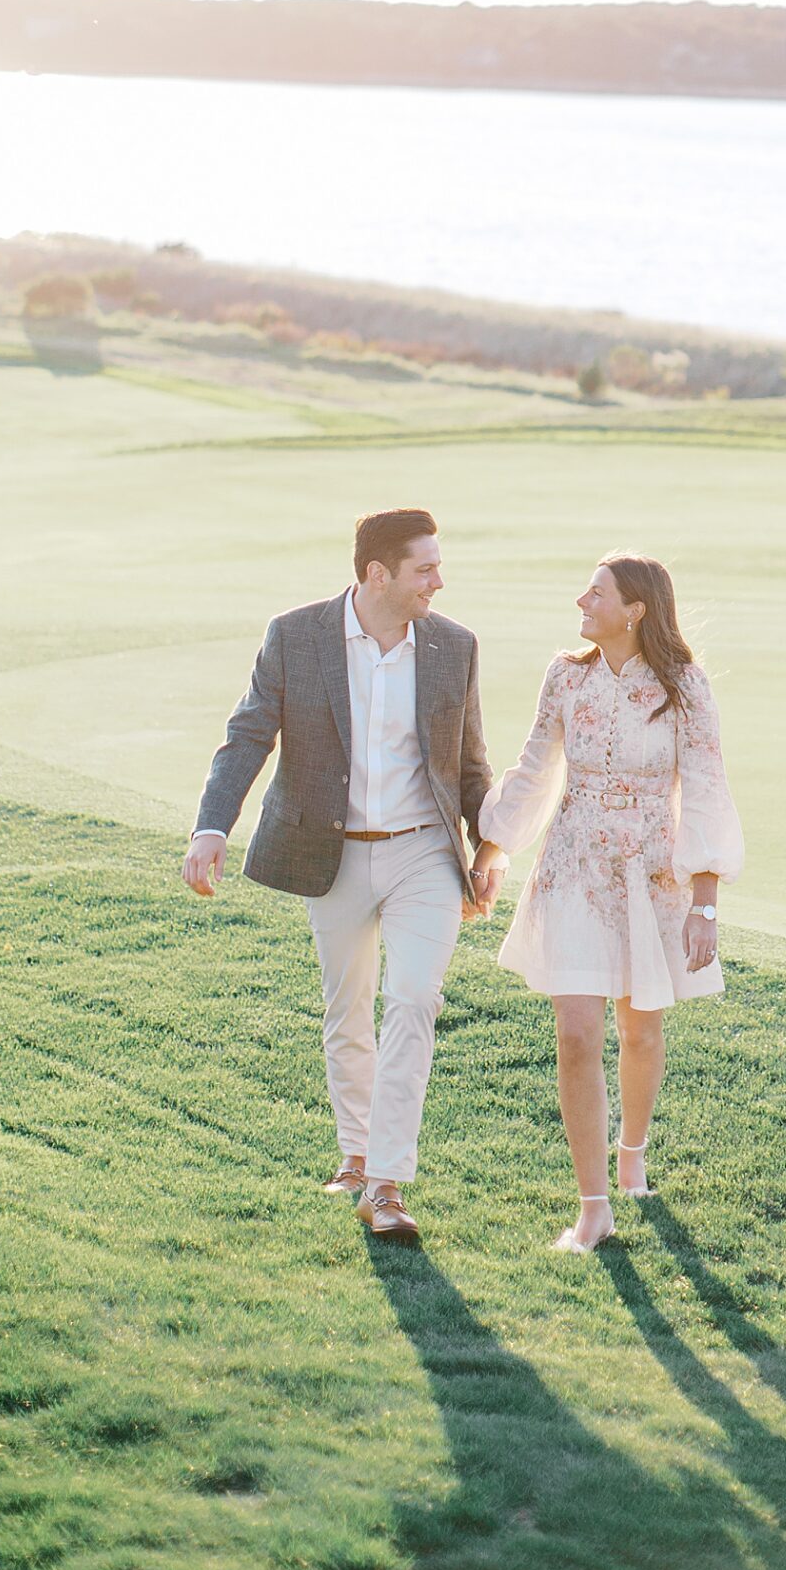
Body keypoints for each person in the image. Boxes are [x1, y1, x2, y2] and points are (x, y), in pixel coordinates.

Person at [181, 507, 495, 1245]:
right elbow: (248, 734)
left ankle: (385, 1184)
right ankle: (355, 1156)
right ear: (376, 574)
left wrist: (488, 850)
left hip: (424, 852)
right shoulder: (296, 635)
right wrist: (210, 827)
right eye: (424, 569)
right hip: (333, 851)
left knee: (413, 1000)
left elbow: (471, 763)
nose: (438, 582)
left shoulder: (454, 646)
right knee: (347, 1011)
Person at [472, 554, 745, 1251]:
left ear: (634, 610)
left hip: (653, 875)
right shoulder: (566, 675)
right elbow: (534, 767)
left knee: (641, 1031)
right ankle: (593, 1207)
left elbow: (706, 785)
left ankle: (632, 1155)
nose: (580, 601)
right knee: (575, 1034)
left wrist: (704, 902)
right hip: (574, 867)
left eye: (595, 594)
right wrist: (492, 850)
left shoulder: (684, 684)